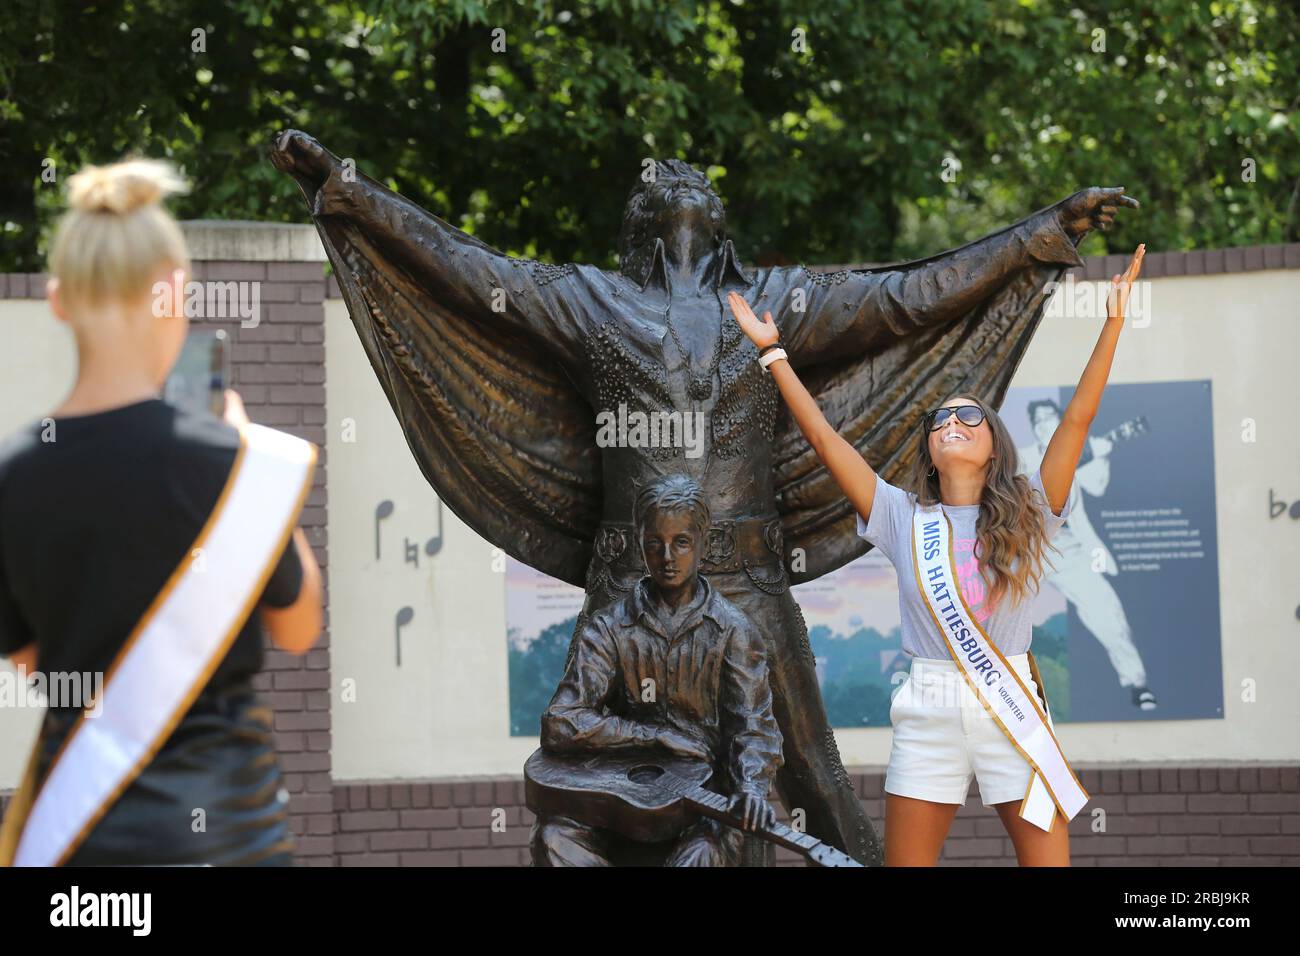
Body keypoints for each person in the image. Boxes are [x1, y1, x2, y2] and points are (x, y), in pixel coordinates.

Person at [727, 245, 1146, 866]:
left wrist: (1113, 320)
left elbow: (1078, 422)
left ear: (995, 442)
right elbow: (823, 437)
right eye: (939, 419)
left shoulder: (1030, 508)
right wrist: (773, 352)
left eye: (968, 415)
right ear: (928, 450)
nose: (951, 421)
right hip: (930, 707)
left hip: (1013, 705)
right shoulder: (902, 517)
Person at [0, 158, 323, 866]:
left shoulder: (13, 475)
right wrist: (245, 463)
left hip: (80, 843)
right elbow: (300, 627)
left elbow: (29, 659)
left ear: (58, 300)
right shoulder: (233, 465)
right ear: (172, 294)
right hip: (232, 839)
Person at [532, 474, 783, 866]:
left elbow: (754, 729)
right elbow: (561, 721)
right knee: (555, 838)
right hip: (622, 803)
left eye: (681, 542)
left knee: (701, 855)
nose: (668, 556)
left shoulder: (733, 631)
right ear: (641, 543)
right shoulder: (610, 628)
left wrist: (750, 787)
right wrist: (654, 736)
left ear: (703, 542)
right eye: (655, 543)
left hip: (702, 808)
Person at [1016, 400, 1156, 709]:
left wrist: (1100, 455)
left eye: (1049, 418)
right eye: (1037, 420)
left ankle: (1137, 683)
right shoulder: (1021, 458)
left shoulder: (1081, 451)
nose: (1043, 424)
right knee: (999, 614)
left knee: (1107, 609)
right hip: (1025, 550)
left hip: (1069, 549)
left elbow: (1097, 487)